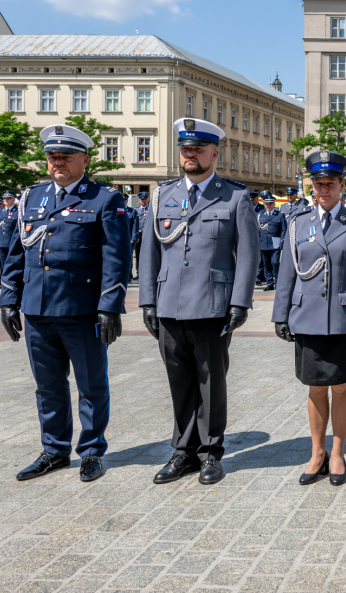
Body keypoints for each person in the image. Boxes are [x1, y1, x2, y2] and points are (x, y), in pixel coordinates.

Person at [0, 124, 131, 482]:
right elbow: (16, 253)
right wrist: (8, 298)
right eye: (52, 156)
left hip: (82, 309)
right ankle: (55, 450)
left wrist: (110, 307)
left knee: (91, 385)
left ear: (84, 160)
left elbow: (117, 258)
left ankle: (91, 451)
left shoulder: (104, 199)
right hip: (37, 308)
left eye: (66, 156)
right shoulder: (32, 197)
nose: (58, 162)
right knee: (48, 386)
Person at [140, 118, 259, 486]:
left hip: (212, 304)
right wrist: (147, 302)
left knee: (211, 381)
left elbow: (249, 254)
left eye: (197, 149)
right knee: (178, 380)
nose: (190, 155)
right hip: (169, 303)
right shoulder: (163, 195)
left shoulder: (234, 196)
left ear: (214, 154)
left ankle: (210, 453)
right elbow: (149, 252)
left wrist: (240, 302)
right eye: (185, 149)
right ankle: (183, 452)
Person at [273, 150, 346, 486]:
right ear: (312, 186)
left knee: (341, 386)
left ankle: (338, 452)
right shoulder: (297, 223)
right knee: (316, 387)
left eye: (330, 183)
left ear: (341, 185)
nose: (324, 189)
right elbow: (287, 272)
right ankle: (317, 452)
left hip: (344, 318)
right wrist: (280, 315)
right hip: (306, 316)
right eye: (318, 184)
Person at [258, 193, 286, 291]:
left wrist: (282, 242)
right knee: (266, 264)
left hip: (275, 243)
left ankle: (277, 282)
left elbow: (284, 230)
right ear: (264, 204)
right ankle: (269, 283)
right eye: (267, 204)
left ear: (274, 204)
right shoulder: (260, 215)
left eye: (270, 204)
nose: (268, 206)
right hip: (263, 243)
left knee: (275, 263)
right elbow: (258, 230)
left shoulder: (280, 215)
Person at [0, 191, 19, 271]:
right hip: (1, 243)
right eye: (4, 199)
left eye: (8, 199)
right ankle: (3, 278)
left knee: (13, 264)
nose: (6, 200)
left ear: (13, 200)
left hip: (13, 243)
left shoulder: (18, 211)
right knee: (3, 265)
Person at [133, 192, 150, 280]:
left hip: (147, 234)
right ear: (139, 200)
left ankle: (147, 273)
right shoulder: (136, 210)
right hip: (138, 234)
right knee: (138, 254)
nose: (144, 201)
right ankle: (138, 273)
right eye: (142, 199)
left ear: (148, 199)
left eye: (145, 199)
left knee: (148, 254)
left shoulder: (151, 209)